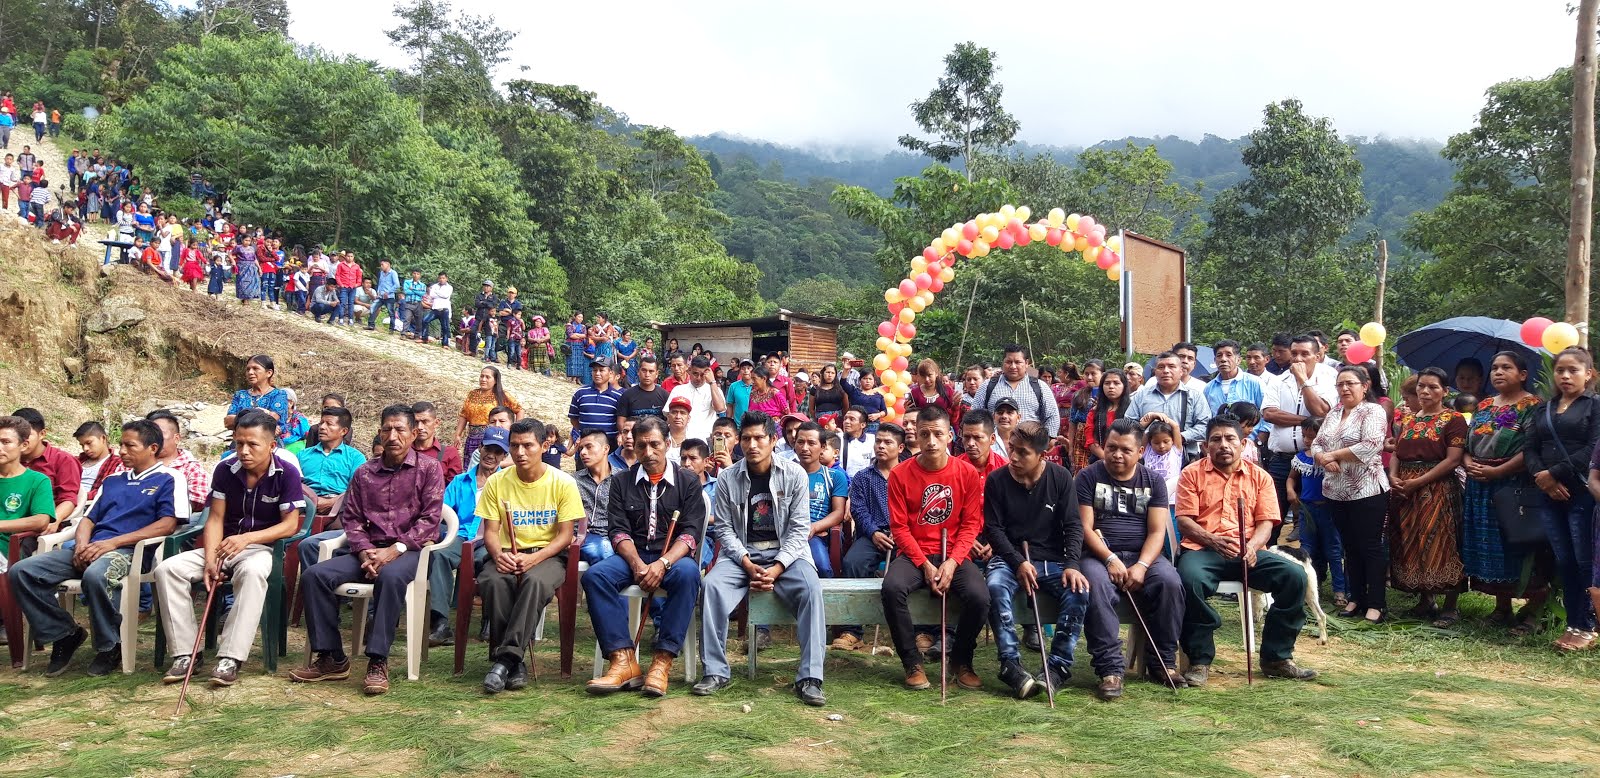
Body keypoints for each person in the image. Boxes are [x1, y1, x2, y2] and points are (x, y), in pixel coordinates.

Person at [9, 420, 185, 677]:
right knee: (22, 572)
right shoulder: (114, 480)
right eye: (121, 444)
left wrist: (112, 543)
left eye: (130, 445)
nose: (122, 451)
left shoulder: (170, 478)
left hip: (130, 551)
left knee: (96, 575)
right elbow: (88, 519)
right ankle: (65, 633)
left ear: (153, 448)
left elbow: (167, 524)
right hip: (92, 547)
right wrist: (81, 545)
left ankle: (109, 645)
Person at [291, 405, 445, 695]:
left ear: (413, 434)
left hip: (408, 551)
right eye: (387, 429)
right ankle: (332, 657)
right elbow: (351, 518)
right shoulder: (364, 472)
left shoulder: (429, 469)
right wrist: (364, 552)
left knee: (390, 577)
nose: (393, 435)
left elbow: (430, 520)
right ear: (379, 432)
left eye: (400, 429)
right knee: (314, 576)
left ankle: (377, 660)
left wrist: (393, 551)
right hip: (367, 551)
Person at [155, 411, 304, 686]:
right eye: (239, 444)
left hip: (259, 548)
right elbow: (215, 518)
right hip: (222, 546)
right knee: (167, 569)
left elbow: (290, 526)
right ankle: (187, 653)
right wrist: (210, 559)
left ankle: (231, 657)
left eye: (253, 445)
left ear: (272, 445)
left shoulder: (287, 473)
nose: (244, 451)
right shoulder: (225, 469)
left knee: (253, 573)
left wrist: (247, 539)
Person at [694, 411, 827, 705]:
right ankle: (715, 671)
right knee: (712, 586)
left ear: (773, 440)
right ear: (738, 443)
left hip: (787, 554)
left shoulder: (795, 475)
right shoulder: (728, 477)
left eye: (759, 438)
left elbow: (799, 529)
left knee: (811, 588)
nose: (752, 445)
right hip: (743, 554)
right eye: (746, 439)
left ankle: (810, 677)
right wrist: (745, 562)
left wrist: (777, 568)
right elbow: (725, 529)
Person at [1174, 417, 1317, 686]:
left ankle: (1277, 657)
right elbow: (1184, 520)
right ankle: (1200, 660)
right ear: (1206, 446)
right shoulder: (1191, 473)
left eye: (1230, 439)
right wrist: (1212, 539)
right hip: (1203, 550)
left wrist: (1252, 548)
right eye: (1216, 439)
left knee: (1295, 576)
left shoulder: (1259, 476)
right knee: (1189, 580)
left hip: (1248, 552)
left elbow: (1266, 522)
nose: (1223, 445)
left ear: (1242, 444)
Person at [583, 416, 706, 697]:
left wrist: (663, 563)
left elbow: (690, 534)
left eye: (654, 445)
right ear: (633, 447)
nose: (648, 453)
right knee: (595, 577)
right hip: (633, 556)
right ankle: (622, 660)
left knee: (688, 576)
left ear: (667, 443)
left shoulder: (688, 482)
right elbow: (617, 531)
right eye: (641, 446)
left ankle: (662, 662)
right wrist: (638, 564)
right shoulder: (621, 481)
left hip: (672, 558)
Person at [1077, 418, 1187, 697]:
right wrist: (1110, 558)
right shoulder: (1089, 476)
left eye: (1126, 450)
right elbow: (1085, 528)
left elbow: (1156, 531)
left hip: (1143, 555)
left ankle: (1162, 662)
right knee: (1096, 586)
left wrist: (1141, 565)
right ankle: (1110, 669)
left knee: (1170, 583)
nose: (1116, 454)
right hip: (1098, 554)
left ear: (1140, 451)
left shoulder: (1153, 481)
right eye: (1111, 447)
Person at [881, 405, 987, 691]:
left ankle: (962, 659)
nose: (930, 441)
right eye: (924, 434)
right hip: (916, 554)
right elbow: (900, 528)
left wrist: (952, 562)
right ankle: (911, 662)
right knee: (891, 588)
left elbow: (971, 524)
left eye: (937, 434)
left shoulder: (966, 473)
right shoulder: (901, 474)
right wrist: (924, 564)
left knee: (979, 596)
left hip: (953, 552)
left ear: (949, 436)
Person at [475, 419, 583, 694]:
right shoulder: (497, 482)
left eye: (527, 445)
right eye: (514, 446)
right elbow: (490, 531)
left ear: (544, 446)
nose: (520, 452)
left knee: (534, 582)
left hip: (548, 556)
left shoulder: (563, 483)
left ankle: (504, 660)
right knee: (494, 582)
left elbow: (565, 535)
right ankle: (515, 663)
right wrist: (498, 555)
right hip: (507, 554)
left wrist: (534, 559)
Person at [982, 421, 1088, 699]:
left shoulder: (1061, 477)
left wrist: (1073, 565)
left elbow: (1073, 525)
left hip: (1052, 559)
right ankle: (1009, 664)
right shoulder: (996, 480)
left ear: (1042, 454)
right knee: (994, 586)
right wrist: (1017, 562)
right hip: (1008, 559)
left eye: (1023, 452)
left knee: (1079, 590)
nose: (1013, 457)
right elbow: (994, 529)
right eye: (1011, 449)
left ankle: (1058, 666)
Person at [1461, 351, 1549, 635]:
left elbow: (1531, 449)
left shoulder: (1533, 406)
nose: (1498, 372)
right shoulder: (1485, 404)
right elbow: (1467, 443)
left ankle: (1533, 611)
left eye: (1506, 367)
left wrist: (1498, 472)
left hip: (1513, 486)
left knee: (1519, 545)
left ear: (1522, 374)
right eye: (1495, 367)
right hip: (1479, 485)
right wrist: (1469, 463)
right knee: (1492, 547)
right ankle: (1502, 608)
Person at [1527, 347, 1600, 650]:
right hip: (1549, 494)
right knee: (1564, 561)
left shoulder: (1595, 407)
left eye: (1573, 370)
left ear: (1589, 374)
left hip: (1582, 492)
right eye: (1560, 370)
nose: (1566, 376)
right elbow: (1530, 447)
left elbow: (1594, 449)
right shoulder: (1543, 408)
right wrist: (1542, 478)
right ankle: (1572, 623)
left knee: (1584, 560)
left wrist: (1555, 472)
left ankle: (1588, 626)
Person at [1386, 367, 1467, 627]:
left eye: (1433, 387)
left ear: (1445, 391)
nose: (1425, 391)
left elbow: (1453, 459)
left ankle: (1450, 607)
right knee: (1412, 539)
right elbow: (1397, 451)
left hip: (1437, 487)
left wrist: (1418, 482)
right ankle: (1425, 598)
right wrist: (1393, 477)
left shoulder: (1453, 419)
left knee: (1442, 541)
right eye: (1421, 386)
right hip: (1405, 487)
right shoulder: (1408, 419)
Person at [1311, 366, 1391, 623]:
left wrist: (1333, 455)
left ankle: (1377, 604)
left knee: (1369, 546)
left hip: (1366, 490)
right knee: (1349, 547)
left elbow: (1371, 445)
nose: (1344, 388)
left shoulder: (1373, 410)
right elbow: (1316, 443)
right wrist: (1322, 457)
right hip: (1336, 490)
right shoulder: (1334, 412)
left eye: (1350, 383)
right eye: (1340, 384)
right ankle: (1356, 597)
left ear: (1364, 386)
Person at [1260, 335, 1336, 543]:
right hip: (1282, 459)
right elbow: (1269, 414)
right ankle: (1268, 562)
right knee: (1272, 514)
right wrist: (1309, 422)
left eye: (1305, 354)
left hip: (1315, 461)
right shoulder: (1278, 380)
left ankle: (1315, 569)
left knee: (1314, 520)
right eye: (1294, 354)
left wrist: (1304, 381)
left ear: (1318, 356)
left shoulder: (1329, 378)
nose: (1298, 359)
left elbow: (1321, 410)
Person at [1289, 417, 1347, 608]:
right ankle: (1311, 587)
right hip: (1307, 509)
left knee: (1333, 549)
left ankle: (1340, 589)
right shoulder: (1301, 458)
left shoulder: (1330, 458)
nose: (1307, 441)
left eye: (1311, 437)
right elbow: (1292, 479)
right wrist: (1290, 490)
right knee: (1307, 548)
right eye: (1304, 436)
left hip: (1329, 508)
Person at [1123, 351, 1210, 462]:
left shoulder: (1194, 396)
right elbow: (1128, 424)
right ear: (1155, 372)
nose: (1166, 371)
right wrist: (1149, 436)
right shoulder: (1142, 396)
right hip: (1146, 460)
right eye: (1161, 367)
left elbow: (1205, 426)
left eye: (1171, 366)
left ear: (1181, 371)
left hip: (1185, 460)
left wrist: (1179, 437)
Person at [792, 422, 848, 578]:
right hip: (786, 533)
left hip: (815, 534)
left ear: (823, 447)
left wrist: (814, 527)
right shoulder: (784, 474)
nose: (804, 448)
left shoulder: (834, 477)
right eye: (800, 442)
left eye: (811, 443)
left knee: (822, 570)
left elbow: (838, 513)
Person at [0, 416, 55, 565]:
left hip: (8, 547)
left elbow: (41, 521)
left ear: (23, 445)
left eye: (6, 442)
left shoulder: (37, 481)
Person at [14, 408, 81, 526]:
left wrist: (54, 520)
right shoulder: (7, 458)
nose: (20, 441)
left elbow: (68, 499)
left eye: (26, 435)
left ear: (42, 434)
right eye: (17, 435)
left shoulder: (63, 460)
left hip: (38, 526)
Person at [976, 345, 1060, 436]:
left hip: (1030, 445)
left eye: (1017, 362)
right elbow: (976, 415)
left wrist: (1048, 439)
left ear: (1026, 363)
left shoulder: (1040, 386)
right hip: (994, 445)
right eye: (1008, 362)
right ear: (1003, 363)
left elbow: (1052, 416)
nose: (1013, 366)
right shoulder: (987, 386)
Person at [457, 366, 522, 465]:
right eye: (481, 376)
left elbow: (519, 410)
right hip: (472, 438)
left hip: (494, 438)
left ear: (495, 380)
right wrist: (458, 434)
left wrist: (514, 430)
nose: (483, 379)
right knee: (471, 467)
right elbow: (464, 414)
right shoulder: (472, 394)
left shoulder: (502, 395)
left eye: (487, 377)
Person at [1205, 340, 1267, 440]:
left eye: (1228, 355)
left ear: (1238, 360)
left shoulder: (1255, 383)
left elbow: (1266, 414)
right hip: (1222, 445)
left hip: (1251, 443)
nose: (1223, 359)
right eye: (1219, 355)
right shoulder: (1208, 388)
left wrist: (1259, 441)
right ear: (1215, 360)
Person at [224, 355, 291, 443]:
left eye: (255, 368)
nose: (250, 372)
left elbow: (271, 419)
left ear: (269, 373)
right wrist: (263, 413)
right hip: (240, 444)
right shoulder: (240, 395)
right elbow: (228, 422)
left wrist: (239, 419)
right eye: (248, 369)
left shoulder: (279, 395)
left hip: (267, 444)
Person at [574, 429, 616, 565]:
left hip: (615, 534)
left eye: (589, 447)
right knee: (602, 549)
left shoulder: (621, 479)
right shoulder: (572, 481)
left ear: (605, 449)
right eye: (581, 448)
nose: (583, 452)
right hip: (584, 536)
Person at [666, 356, 727, 442]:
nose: (698, 378)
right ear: (689, 370)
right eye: (695, 373)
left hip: (706, 440)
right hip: (681, 440)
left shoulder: (715, 390)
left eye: (702, 375)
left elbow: (720, 409)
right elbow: (668, 416)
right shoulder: (678, 390)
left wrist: (712, 382)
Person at [570, 359, 624, 447]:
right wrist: (581, 432)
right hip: (585, 445)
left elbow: (622, 420)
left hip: (609, 446)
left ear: (610, 373)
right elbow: (573, 419)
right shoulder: (580, 393)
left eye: (601, 370)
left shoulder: (619, 396)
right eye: (595, 370)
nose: (597, 373)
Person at [410, 401, 464, 481]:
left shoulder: (450, 453)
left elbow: (454, 488)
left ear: (436, 423)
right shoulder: (403, 451)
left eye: (425, 422)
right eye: (415, 422)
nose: (420, 427)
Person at [75, 421, 121, 507]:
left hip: (91, 506)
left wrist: (75, 497)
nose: (85, 449)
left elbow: (107, 491)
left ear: (103, 438)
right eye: (82, 445)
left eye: (89, 443)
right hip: (67, 502)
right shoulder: (75, 461)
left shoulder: (117, 464)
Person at [616, 355, 668, 424]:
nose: (647, 375)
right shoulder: (627, 395)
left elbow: (668, 420)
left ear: (657, 374)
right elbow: (621, 422)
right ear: (638, 372)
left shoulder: (664, 395)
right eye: (644, 370)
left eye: (651, 371)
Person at [959, 409, 1007, 475]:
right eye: (966, 437)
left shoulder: (1006, 469)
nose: (970, 443)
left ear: (992, 439)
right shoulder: (953, 469)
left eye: (977, 437)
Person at [421, 273, 454, 346]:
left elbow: (446, 296)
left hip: (444, 309)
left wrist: (437, 292)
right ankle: (424, 338)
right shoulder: (434, 286)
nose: (442, 280)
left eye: (443, 278)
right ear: (438, 278)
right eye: (440, 278)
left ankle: (445, 344)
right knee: (425, 320)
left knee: (445, 327)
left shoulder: (449, 287)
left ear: (446, 279)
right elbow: (432, 295)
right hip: (435, 309)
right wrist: (439, 294)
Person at [367, 259, 399, 331]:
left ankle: (391, 329)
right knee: (373, 308)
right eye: (381, 265)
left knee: (391, 313)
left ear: (388, 264)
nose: (381, 266)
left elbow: (397, 285)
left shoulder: (393, 273)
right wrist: (378, 291)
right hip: (381, 296)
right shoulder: (381, 273)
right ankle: (371, 325)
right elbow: (380, 283)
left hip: (389, 297)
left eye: (382, 265)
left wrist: (388, 292)